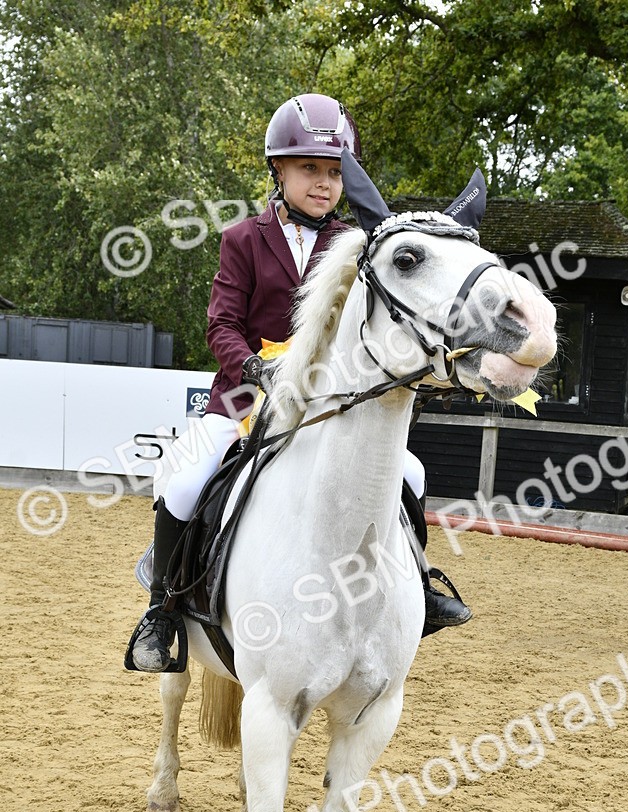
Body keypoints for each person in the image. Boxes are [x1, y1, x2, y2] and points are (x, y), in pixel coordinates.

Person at [128, 93, 471, 672]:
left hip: (326, 403)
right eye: (310, 168)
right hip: (243, 399)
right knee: (186, 480)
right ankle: (162, 612)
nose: (324, 183)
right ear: (279, 171)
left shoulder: (357, 246)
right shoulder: (242, 239)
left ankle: (418, 581)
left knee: (411, 473)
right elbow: (221, 325)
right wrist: (256, 369)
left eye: (335, 173)